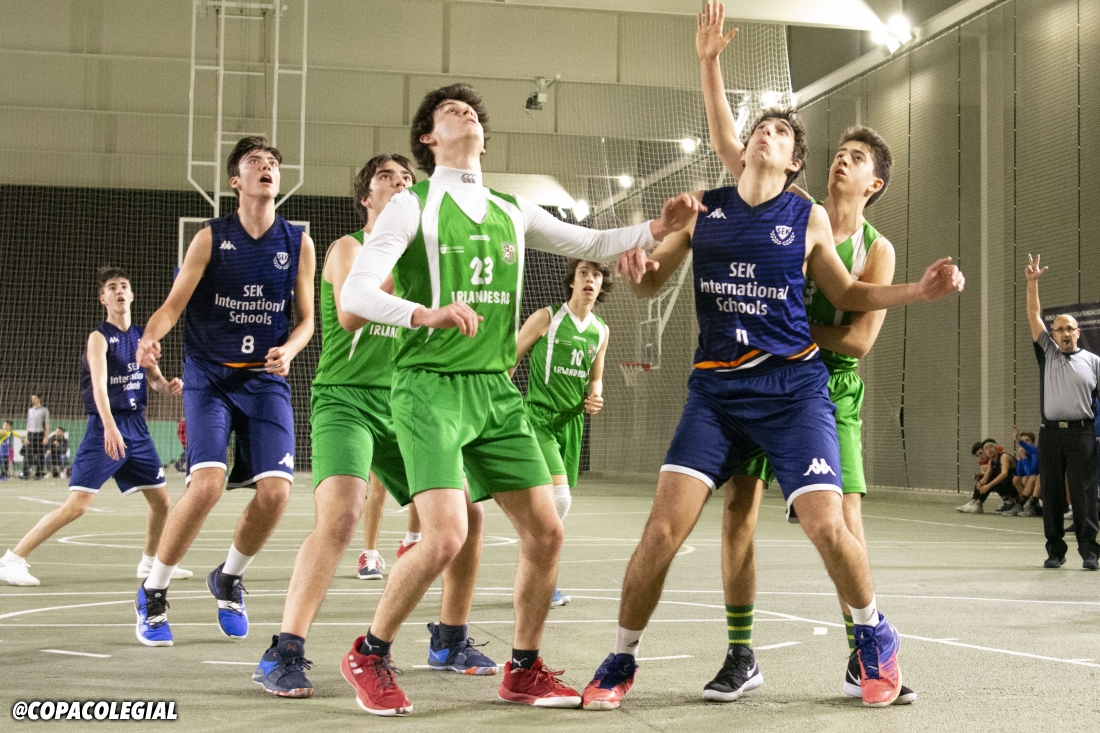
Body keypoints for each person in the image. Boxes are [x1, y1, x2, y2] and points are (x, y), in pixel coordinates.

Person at [578, 35, 964, 710]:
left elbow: (850, 298)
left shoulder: (806, 215)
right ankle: (622, 657)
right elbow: (650, 281)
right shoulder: (705, 208)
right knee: (665, 530)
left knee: (829, 521)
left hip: (795, 391)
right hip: (717, 394)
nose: (768, 133)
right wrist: (636, 271)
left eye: (783, 132)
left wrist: (920, 292)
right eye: (763, 127)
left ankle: (872, 634)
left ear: (793, 164)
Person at [339, 82, 698, 715]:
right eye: (450, 110)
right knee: (446, 537)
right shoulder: (410, 206)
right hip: (429, 387)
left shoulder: (510, 209)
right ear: (429, 137)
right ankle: (370, 652)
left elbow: (590, 244)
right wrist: (424, 313)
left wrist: (654, 229)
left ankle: (523, 669)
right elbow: (356, 294)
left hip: (494, 391)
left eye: (472, 110)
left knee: (546, 530)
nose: (466, 114)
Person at [682, 6, 918, 705]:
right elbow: (730, 145)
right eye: (840, 151)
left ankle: (862, 653)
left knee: (842, 523)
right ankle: (741, 652)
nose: (844, 158)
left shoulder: (875, 249)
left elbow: (859, 340)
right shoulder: (797, 207)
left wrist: (782, 331)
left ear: (873, 184)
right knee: (738, 509)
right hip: (757, 378)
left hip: (825, 387)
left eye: (858, 158)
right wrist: (710, 63)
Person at [253, 154, 497, 700]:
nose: (401, 183)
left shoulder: (429, 259)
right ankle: (284, 651)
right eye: (388, 177)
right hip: (346, 399)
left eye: (409, 179)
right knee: (341, 515)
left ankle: (450, 640)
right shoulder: (350, 248)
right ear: (366, 197)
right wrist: (417, 279)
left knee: (469, 513)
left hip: (406, 401)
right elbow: (352, 309)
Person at [132, 135, 316, 646]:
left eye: (273, 162)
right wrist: (150, 337)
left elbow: (307, 320)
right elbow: (172, 305)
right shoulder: (211, 238)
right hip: (209, 375)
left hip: (264, 379)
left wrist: (291, 349)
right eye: (256, 162)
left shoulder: (297, 243)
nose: (267, 166)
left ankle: (229, 577)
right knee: (207, 485)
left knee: (276, 493)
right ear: (236, 180)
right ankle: (154, 590)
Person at [0, 267, 192, 587]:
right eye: (112, 287)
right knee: (78, 506)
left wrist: (169, 385)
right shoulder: (98, 338)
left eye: (124, 286)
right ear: (103, 298)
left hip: (137, 428)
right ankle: (12, 559)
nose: (119, 291)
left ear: (132, 295)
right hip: (106, 427)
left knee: (161, 502)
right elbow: (100, 387)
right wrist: (109, 426)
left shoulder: (142, 337)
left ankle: (149, 564)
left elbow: (154, 381)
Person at [513, 258, 611, 608]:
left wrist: (596, 395)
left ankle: (533, 572)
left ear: (601, 285)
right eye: (584, 273)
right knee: (560, 500)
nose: (590, 279)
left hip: (571, 424)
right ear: (572, 280)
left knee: (550, 504)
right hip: (538, 417)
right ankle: (542, 580)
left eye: (596, 275)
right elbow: (511, 358)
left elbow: (596, 378)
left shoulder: (601, 330)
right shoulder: (547, 317)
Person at [1024, 254, 1100, 570]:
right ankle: (1055, 551)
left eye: (1070, 329)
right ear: (1052, 335)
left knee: (1084, 493)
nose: (1065, 333)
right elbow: (1033, 314)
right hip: (1051, 434)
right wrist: (1032, 283)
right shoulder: (1048, 354)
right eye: (1059, 329)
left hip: (1082, 434)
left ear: (1078, 333)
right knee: (1053, 493)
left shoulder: (1094, 362)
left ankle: (1090, 552)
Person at [1010, 428, 1041, 516]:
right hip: (1033, 482)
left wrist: (1023, 457)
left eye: (1027, 440)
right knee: (1016, 479)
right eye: (1023, 441)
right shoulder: (1025, 455)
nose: (1024, 443)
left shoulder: (1036, 451)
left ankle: (1029, 505)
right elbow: (1019, 473)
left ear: (1033, 443)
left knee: (1029, 478)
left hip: (1042, 482)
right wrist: (1020, 458)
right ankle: (1027, 503)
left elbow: (1031, 472)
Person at [24, 395, 49, 480]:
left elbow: (47, 424)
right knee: (27, 454)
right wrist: (26, 436)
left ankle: (38, 474)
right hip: (31, 434)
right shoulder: (30, 410)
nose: (32, 400)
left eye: (34, 398)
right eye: (32, 398)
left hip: (40, 434)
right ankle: (26, 474)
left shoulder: (45, 410)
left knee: (40, 454)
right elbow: (28, 424)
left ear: (39, 399)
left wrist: (46, 437)